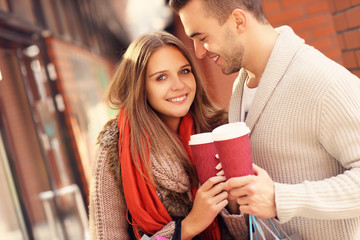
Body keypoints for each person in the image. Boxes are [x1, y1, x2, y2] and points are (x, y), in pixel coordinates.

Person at [168, 0, 360, 239]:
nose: (199, 51)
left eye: (202, 37)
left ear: (238, 21)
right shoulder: (243, 84)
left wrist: (279, 199)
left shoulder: (323, 81)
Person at [88, 31, 248, 240]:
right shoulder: (115, 149)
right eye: (161, 77)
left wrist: (234, 201)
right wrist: (189, 225)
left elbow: (254, 226)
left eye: (184, 71)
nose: (178, 85)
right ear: (140, 87)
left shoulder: (218, 129)